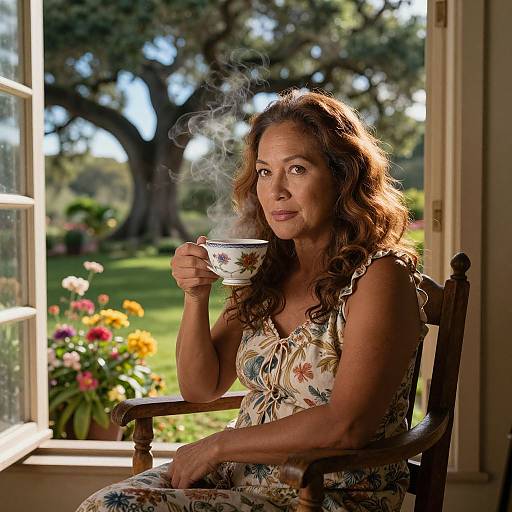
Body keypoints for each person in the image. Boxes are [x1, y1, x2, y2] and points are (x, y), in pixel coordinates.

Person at [76, 89, 429, 512]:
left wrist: (218, 445)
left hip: (325, 493)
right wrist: (196, 296)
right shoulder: (264, 272)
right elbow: (201, 387)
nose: (275, 190)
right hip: (239, 477)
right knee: (108, 505)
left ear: (342, 175)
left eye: (296, 169)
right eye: (264, 172)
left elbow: (347, 426)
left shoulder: (379, 277)